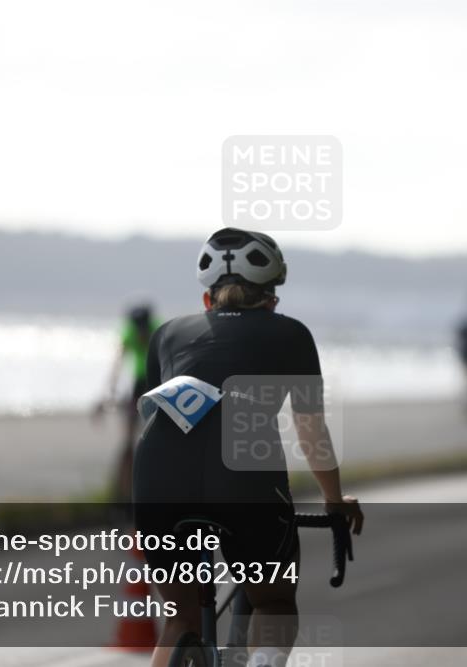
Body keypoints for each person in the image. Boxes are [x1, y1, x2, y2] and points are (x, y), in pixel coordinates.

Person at [132, 228, 363, 667]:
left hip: (158, 473)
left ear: (207, 300)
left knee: (181, 621)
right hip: (243, 474)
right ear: (272, 299)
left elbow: (158, 419)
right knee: (274, 603)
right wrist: (335, 502)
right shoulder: (291, 334)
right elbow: (310, 431)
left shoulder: (164, 335)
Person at [101, 303, 160, 502]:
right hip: (137, 384)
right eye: (139, 329)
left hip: (155, 383)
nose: (142, 333)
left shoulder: (157, 328)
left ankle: (151, 486)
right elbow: (118, 360)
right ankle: (123, 492)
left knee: (154, 438)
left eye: (144, 328)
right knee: (128, 441)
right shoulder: (129, 331)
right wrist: (111, 388)